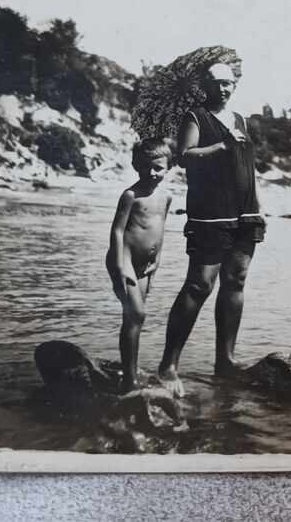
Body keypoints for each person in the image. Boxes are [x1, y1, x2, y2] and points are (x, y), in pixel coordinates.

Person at [157, 62, 265, 396]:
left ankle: (225, 361)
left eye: (228, 83)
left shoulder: (242, 120)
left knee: (236, 281)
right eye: (217, 83)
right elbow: (184, 157)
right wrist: (220, 146)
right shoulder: (196, 116)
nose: (223, 88)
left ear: (235, 85)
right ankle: (168, 365)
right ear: (206, 85)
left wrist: (257, 207)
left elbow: (248, 165)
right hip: (210, 212)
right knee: (199, 285)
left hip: (245, 212)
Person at [106, 138, 174, 392]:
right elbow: (117, 232)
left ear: (169, 167)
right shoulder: (131, 195)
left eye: (158, 167)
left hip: (146, 264)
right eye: (146, 167)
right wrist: (120, 266)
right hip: (124, 261)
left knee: (133, 318)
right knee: (137, 314)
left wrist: (156, 263)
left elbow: (160, 230)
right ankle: (129, 379)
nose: (152, 173)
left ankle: (130, 370)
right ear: (136, 165)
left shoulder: (166, 197)